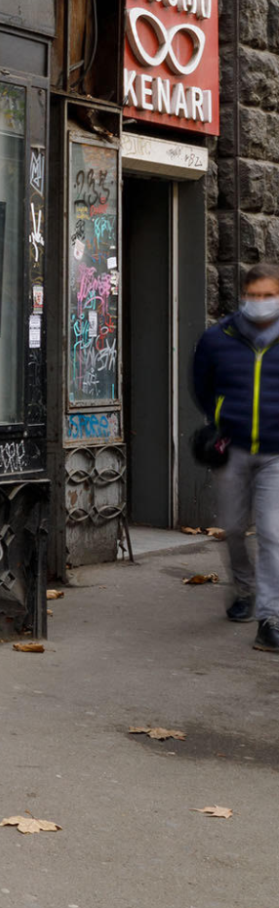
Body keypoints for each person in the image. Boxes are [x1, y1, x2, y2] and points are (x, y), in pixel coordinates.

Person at [191, 263, 279, 652]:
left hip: (276, 453)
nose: (261, 302)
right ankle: (244, 589)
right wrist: (221, 420)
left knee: (273, 532)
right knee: (233, 528)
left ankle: (270, 618)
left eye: (268, 295)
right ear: (243, 296)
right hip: (233, 449)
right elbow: (202, 386)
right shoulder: (217, 338)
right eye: (254, 295)